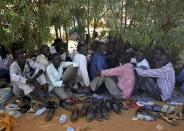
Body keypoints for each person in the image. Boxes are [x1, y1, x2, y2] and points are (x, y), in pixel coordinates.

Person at [9, 52, 55, 121]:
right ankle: (43, 101)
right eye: (22, 58)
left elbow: (42, 67)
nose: (24, 59)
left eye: (25, 57)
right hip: (19, 90)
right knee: (21, 81)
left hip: (30, 83)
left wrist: (34, 78)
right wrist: (28, 81)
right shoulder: (13, 66)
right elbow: (14, 78)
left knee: (39, 73)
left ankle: (46, 94)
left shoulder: (28, 61)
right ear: (16, 59)